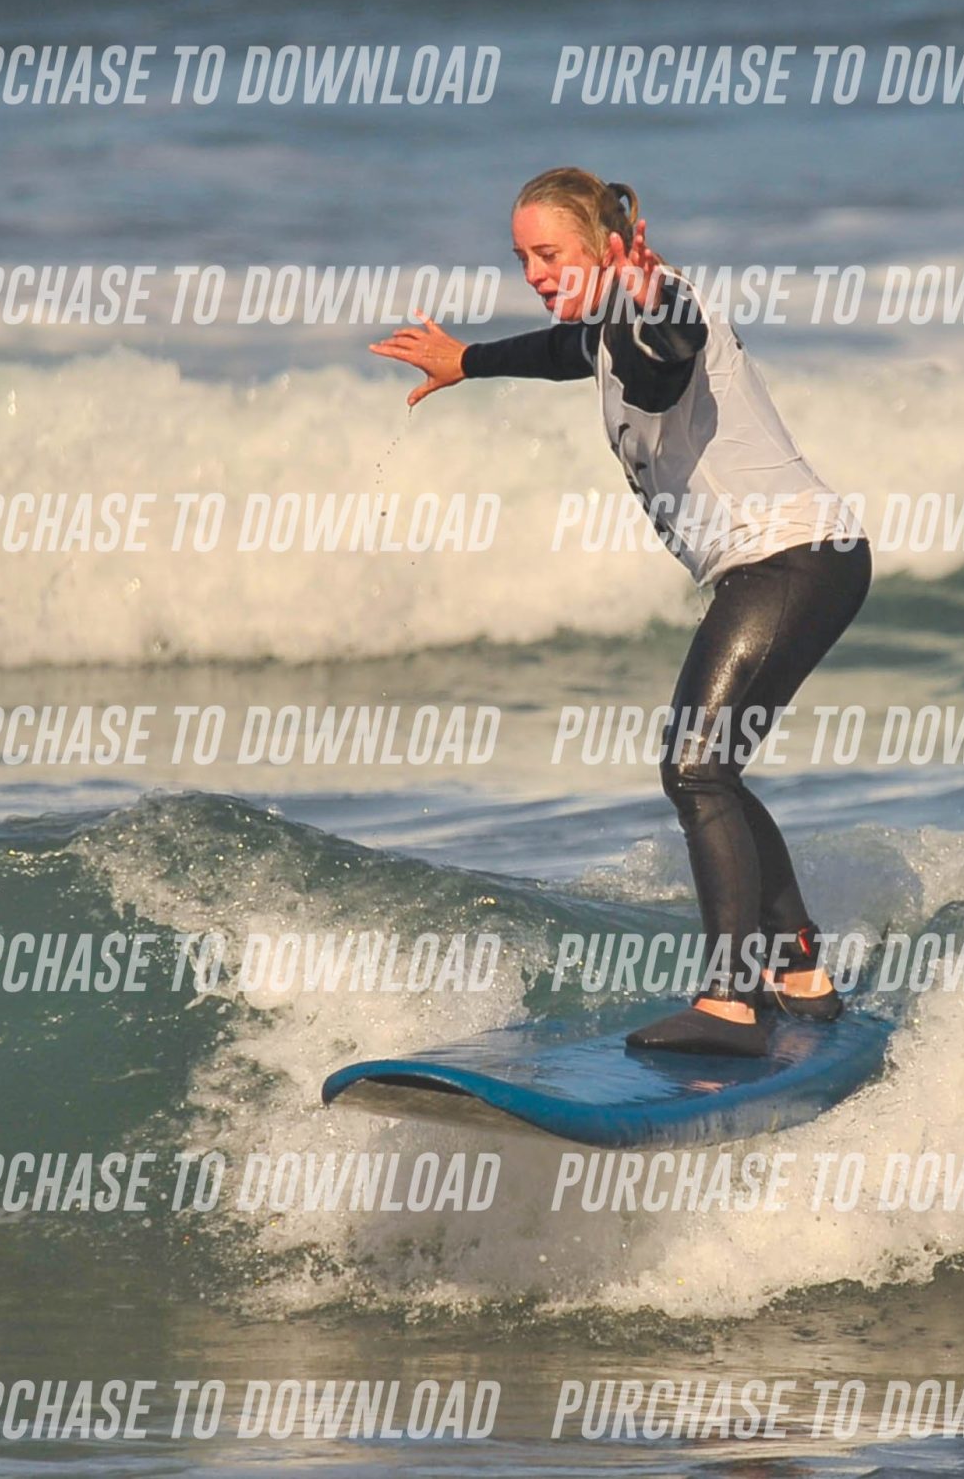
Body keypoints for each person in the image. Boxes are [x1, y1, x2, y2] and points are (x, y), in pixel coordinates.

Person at [371, 168, 870, 1057]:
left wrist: (646, 298)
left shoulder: (660, 305)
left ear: (605, 248)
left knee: (695, 768)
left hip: (792, 557)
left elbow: (659, 359)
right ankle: (800, 971)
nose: (534, 272)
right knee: (711, 769)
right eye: (523, 258)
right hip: (794, 561)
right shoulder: (609, 324)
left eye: (549, 254)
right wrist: (468, 360)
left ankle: (730, 1000)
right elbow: (568, 353)